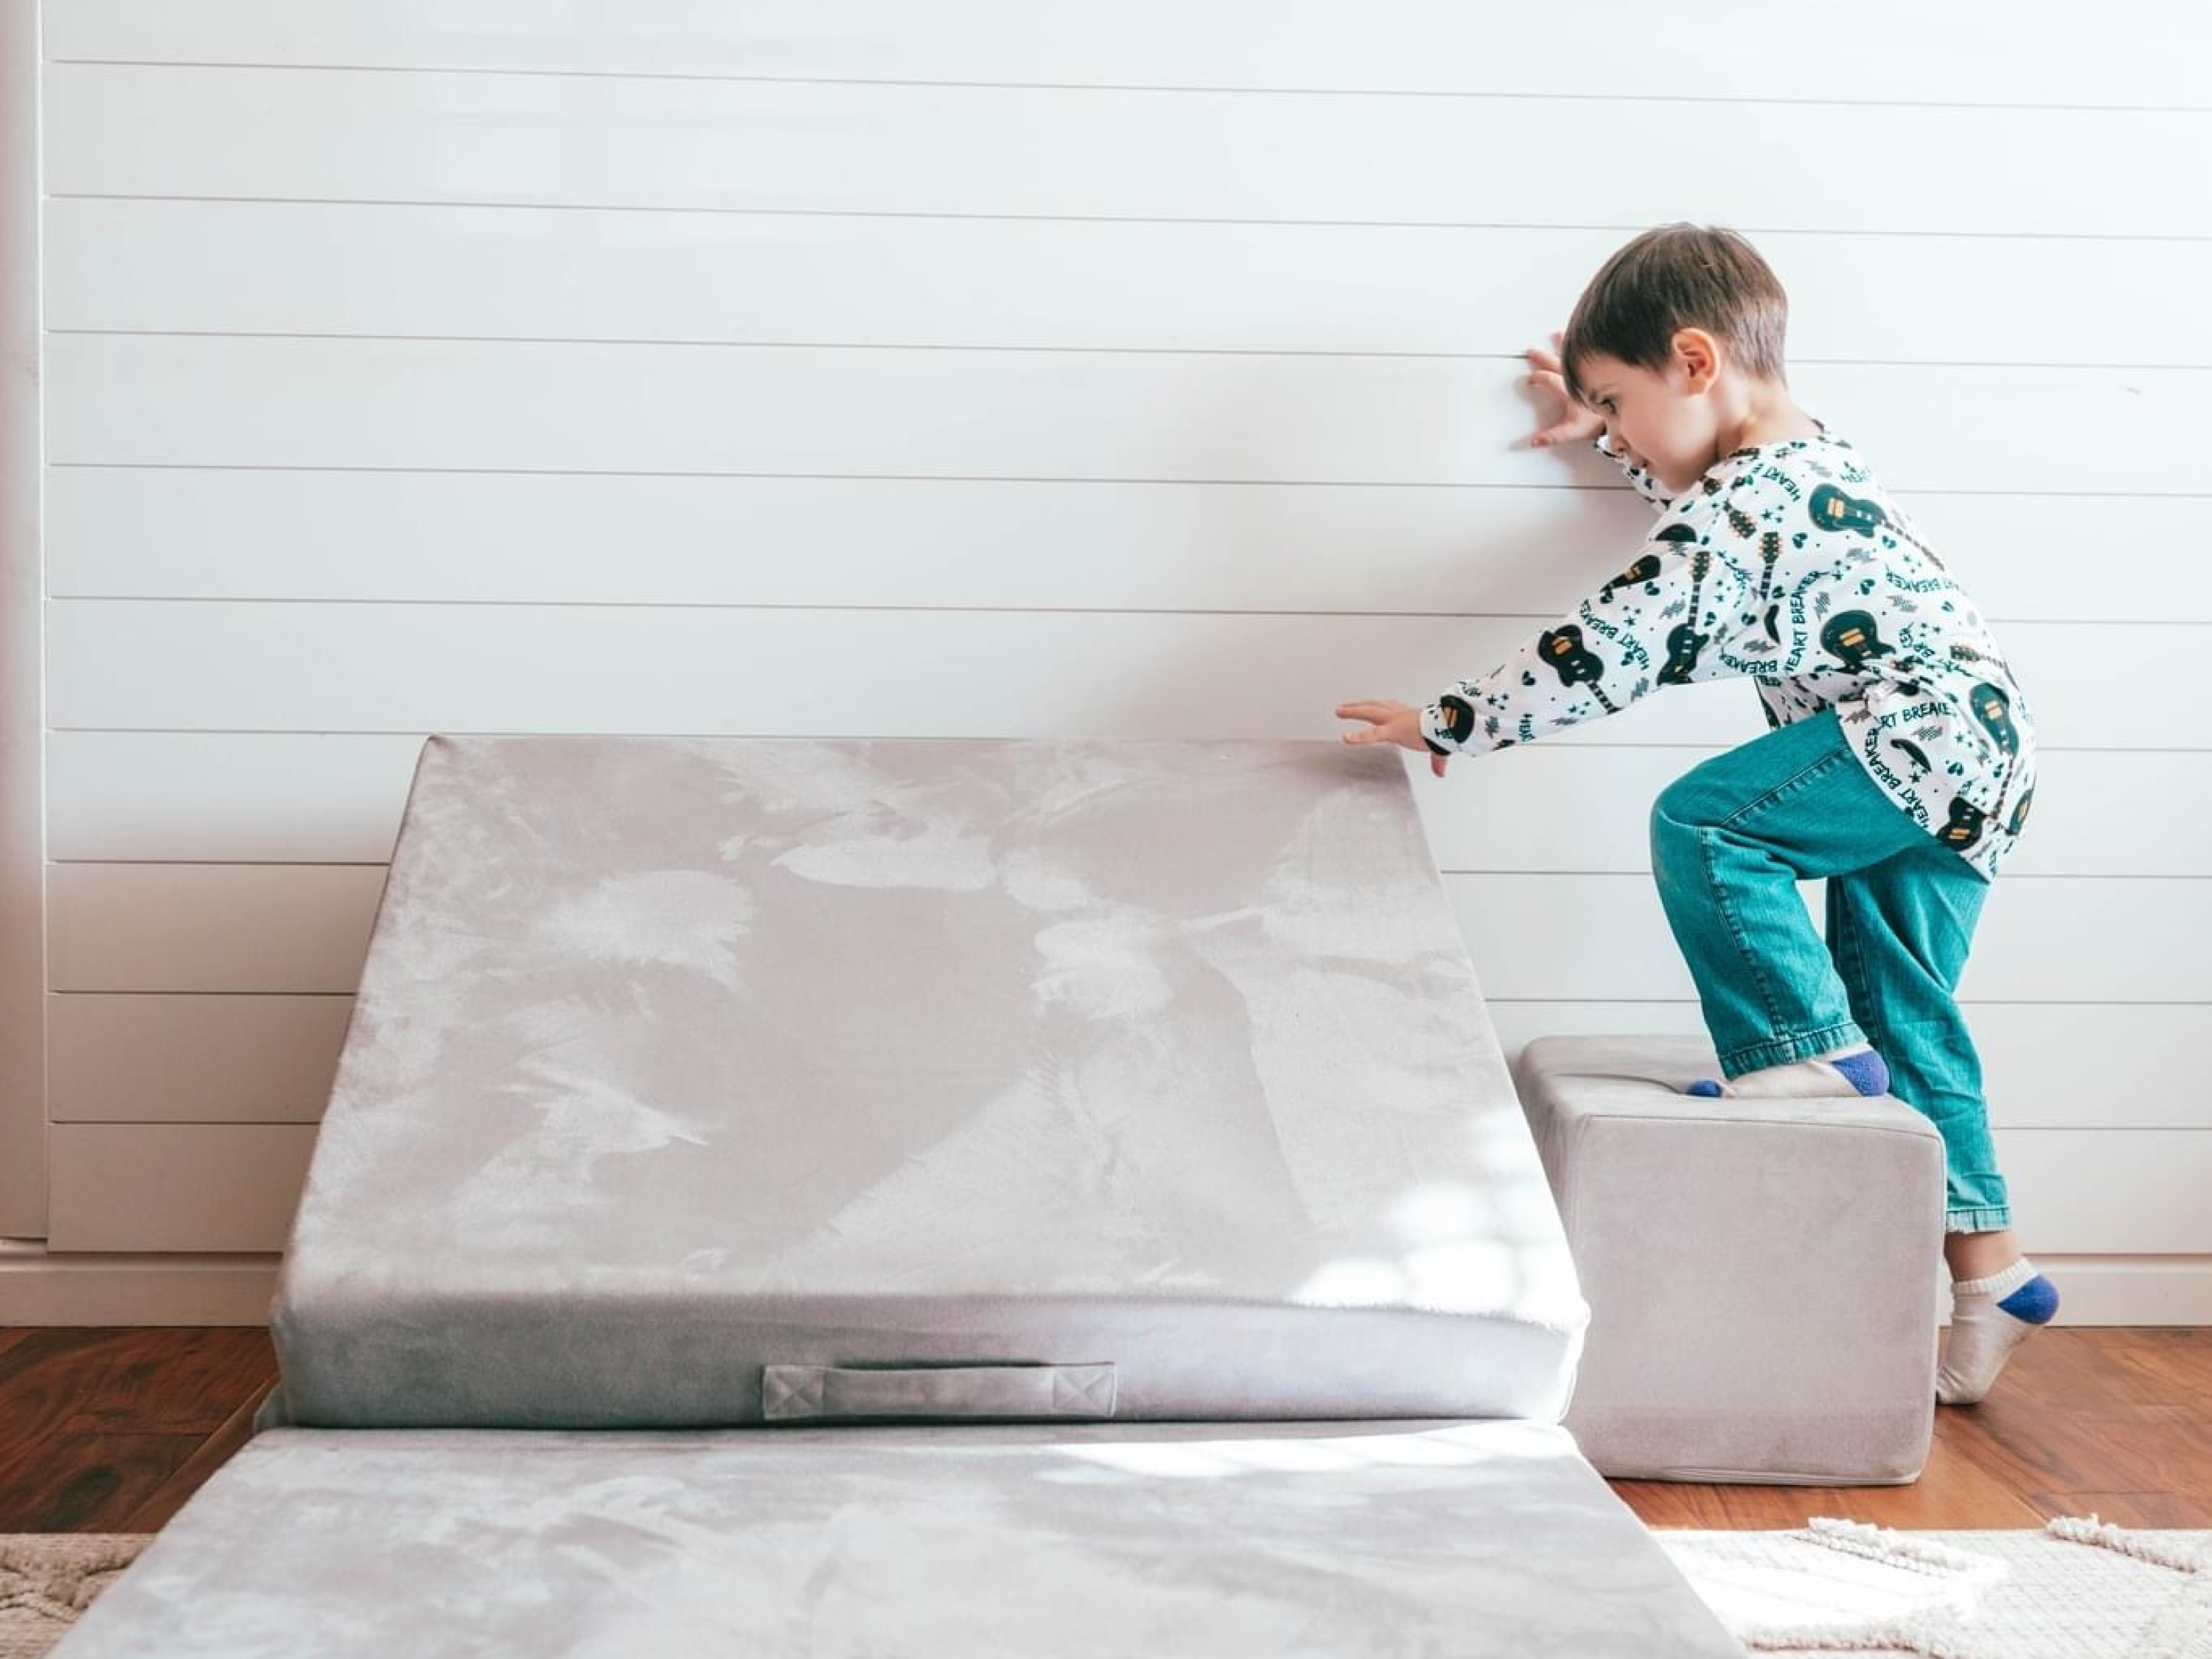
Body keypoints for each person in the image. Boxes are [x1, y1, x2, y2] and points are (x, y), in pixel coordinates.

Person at [1334, 223, 2056, 1405]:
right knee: (1908, 1012)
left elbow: (1617, 638)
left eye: (1619, 405)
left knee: (1707, 825)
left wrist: (1455, 720)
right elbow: (1705, 503)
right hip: (1983, 751)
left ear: (1695, 361)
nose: (1617, 433)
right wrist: (1608, 432)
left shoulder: (1742, 513)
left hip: (1911, 735)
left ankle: (1804, 1047)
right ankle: (1994, 1274)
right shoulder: (1802, 462)